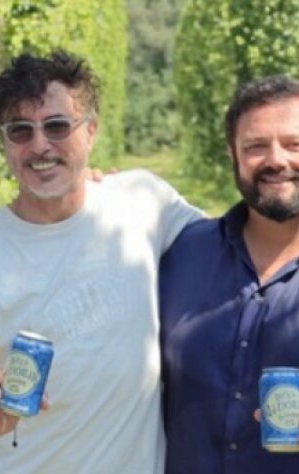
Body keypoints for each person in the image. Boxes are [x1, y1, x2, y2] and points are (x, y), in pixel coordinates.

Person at [0, 51, 202, 473]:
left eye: (57, 126)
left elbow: (240, 248)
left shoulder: (143, 200)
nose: (40, 145)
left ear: (90, 131)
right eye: (20, 131)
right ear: (3, 143)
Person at [160, 75, 299, 473]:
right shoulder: (181, 252)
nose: (276, 160)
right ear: (233, 155)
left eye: (294, 144)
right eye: (256, 146)